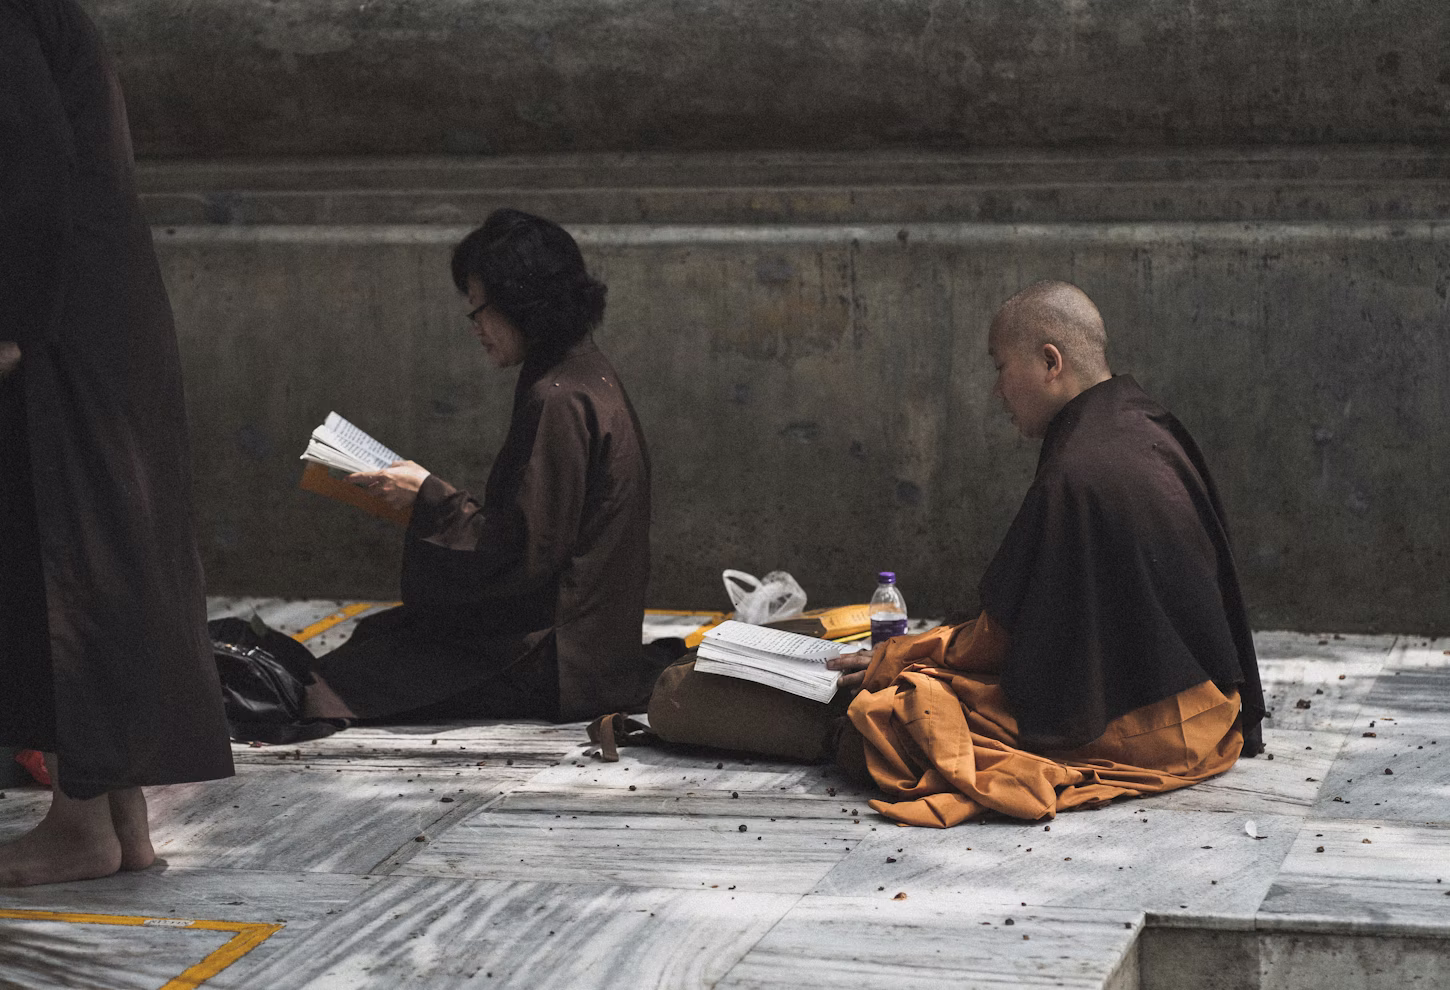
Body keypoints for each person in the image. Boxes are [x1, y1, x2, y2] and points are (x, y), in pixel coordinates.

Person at [647, 280, 1265, 827]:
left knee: (894, 718)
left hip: (1145, 728)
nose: (997, 391)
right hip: (1211, 707)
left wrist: (901, 657)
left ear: (1050, 362)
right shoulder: (1149, 426)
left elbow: (1007, 638)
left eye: (1000, 367)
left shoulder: (1079, 470)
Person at [0, 0, 234, 886]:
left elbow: (29, 164)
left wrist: (12, 324)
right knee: (93, 549)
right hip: (95, 314)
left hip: (54, 329)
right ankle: (120, 823)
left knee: (62, 560)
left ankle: (80, 826)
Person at [306, 209, 657, 724]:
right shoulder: (581, 371)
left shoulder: (557, 398)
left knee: (344, 678)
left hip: (562, 664)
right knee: (383, 639)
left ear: (523, 303)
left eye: (480, 310)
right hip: (588, 648)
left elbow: (517, 553)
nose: (476, 327)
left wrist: (426, 495)